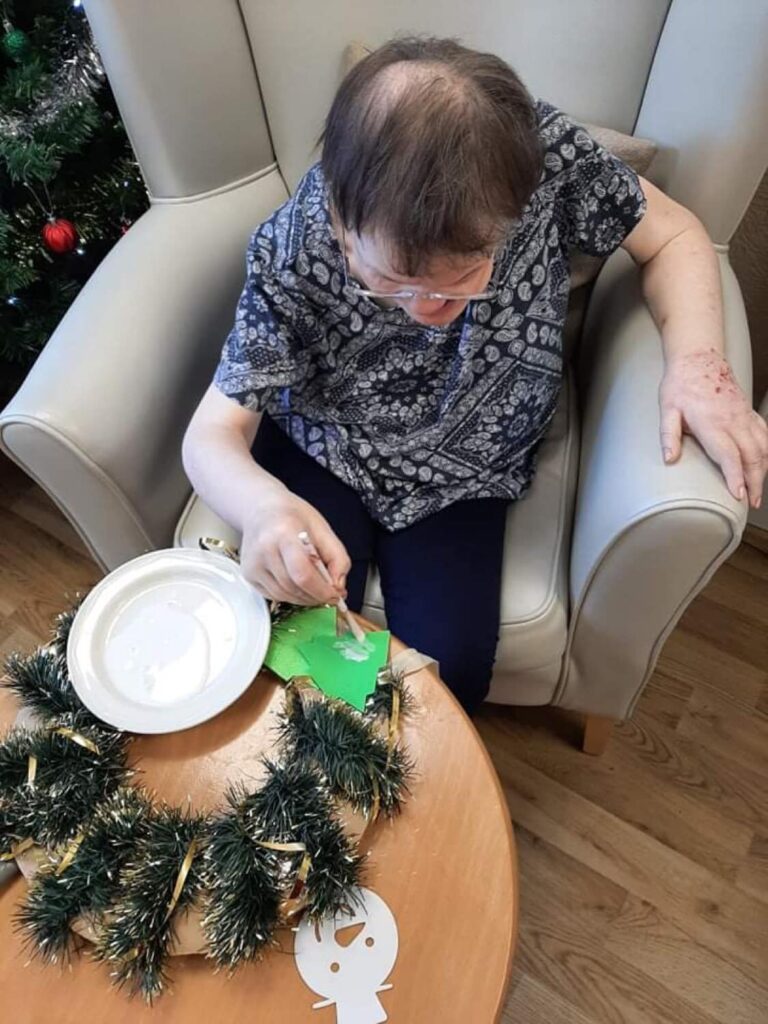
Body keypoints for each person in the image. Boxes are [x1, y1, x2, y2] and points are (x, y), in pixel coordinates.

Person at [182, 36, 768, 714]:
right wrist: (262, 507)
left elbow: (674, 234)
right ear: (342, 223)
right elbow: (211, 435)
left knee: (452, 672)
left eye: (463, 276)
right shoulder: (291, 246)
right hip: (325, 440)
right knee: (298, 643)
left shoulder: (544, 159)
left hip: (471, 463)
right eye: (393, 281)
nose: (428, 308)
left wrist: (698, 365)